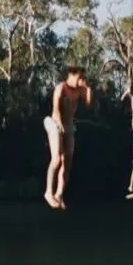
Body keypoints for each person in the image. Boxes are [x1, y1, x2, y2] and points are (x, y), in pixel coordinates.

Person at [44, 67, 92, 209]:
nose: (82, 80)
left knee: (68, 161)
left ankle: (59, 195)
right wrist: (59, 126)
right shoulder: (61, 88)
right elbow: (56, 109)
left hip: (69, 124)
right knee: (57, 159)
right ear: (72, 75)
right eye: (80, 77)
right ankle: (48, 192)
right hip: (53, 123)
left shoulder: (80, 90)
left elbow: (88, 105)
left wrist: (88, 88)